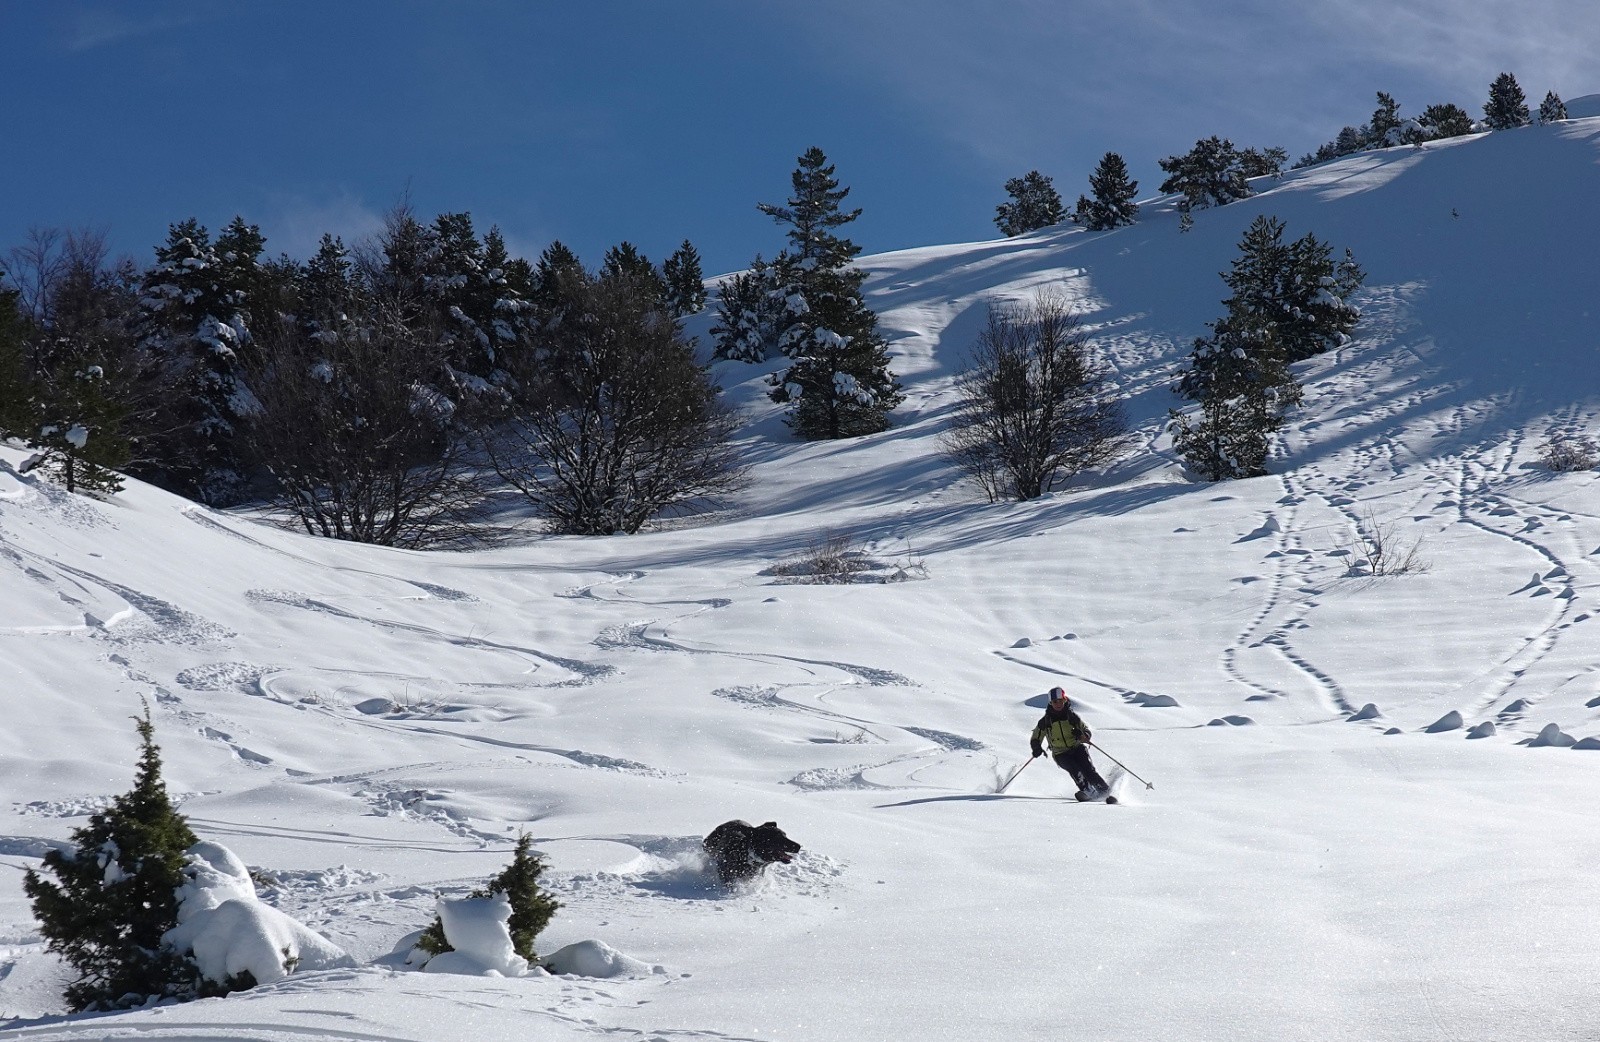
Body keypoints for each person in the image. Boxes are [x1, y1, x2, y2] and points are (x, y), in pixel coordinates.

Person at [1030, 686, 1116, 803]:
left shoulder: (1072, 716)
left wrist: (1082, 735)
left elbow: (1085, 730)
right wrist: (1036, 747)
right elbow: (1036, 736)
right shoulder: (1045, 721)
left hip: (1077, 748)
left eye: (1060, 701)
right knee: (1074, 769)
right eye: (1055, 702)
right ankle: (1088, 791)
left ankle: (1106, 792)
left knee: (1088, 770)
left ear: (1065, 700)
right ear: (1051, 703)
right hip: (1060, 753)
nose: (1058, 704)